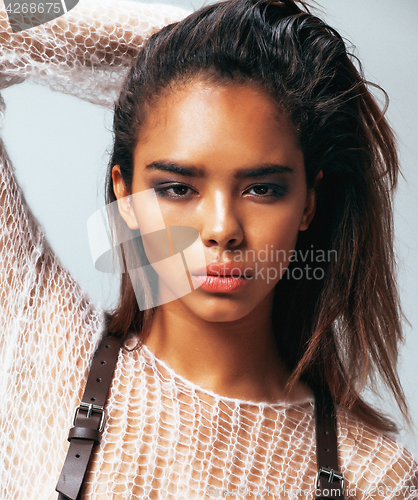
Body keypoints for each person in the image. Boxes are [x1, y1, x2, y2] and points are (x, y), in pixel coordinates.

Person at [0, 0, 417, 499]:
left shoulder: (375, 478)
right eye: (177, 188)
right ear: (125, 194)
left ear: (308, 204)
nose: (222, 230)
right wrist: (178, 42)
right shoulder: (42, 348)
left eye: (262, 188)